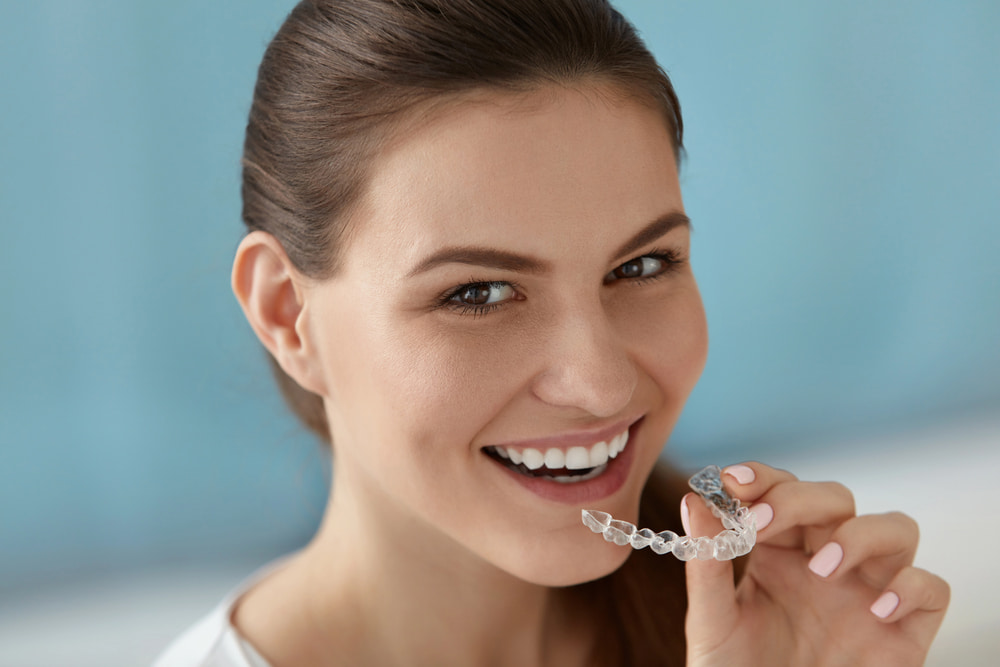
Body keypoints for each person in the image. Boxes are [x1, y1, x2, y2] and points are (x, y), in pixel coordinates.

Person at [155, 1, 949, 665]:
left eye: (641, 266)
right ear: (287, 315)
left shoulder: (761, 629)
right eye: (478, 293)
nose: (601, 384)